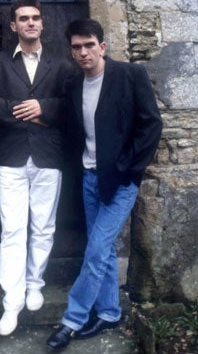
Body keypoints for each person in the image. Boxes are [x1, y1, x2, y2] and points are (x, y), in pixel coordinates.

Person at [46, 19, 162, 350]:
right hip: (88, 177)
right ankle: (110, 312)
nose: (83, 52)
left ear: (102, 46)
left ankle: (72, 319)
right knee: (104, 249)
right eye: (76, 47)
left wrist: (129, 169)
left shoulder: (129, 76)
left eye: (88, 45)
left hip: (121, 180)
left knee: (95, 249)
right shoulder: (74, 85)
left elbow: (151, 125)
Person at [0, 0, 73, 336]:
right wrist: (19, 108)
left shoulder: (60, 65)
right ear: (13, 26)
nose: (30, 23)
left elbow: (71, 102)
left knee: (43, 227)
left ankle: (35, 284)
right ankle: (11, 302)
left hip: (48, 155)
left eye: (35, 18)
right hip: (11, 157)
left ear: (42, 23)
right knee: (13, 230)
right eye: (23, 19)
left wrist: (42, 107)